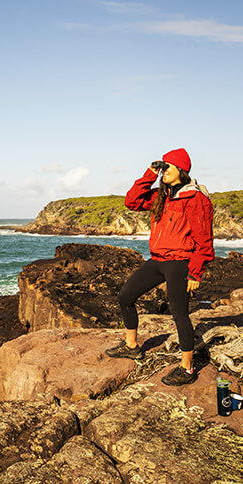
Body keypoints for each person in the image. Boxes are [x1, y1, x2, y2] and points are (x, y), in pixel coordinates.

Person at [105, 148, 214, 386]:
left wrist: (196, 271)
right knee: (126, 296)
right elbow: (131, 201)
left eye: (167, 167)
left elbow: (204, 240)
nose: (163, 171)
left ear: (181, 171)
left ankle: (187, 368)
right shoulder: (161, 196)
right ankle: (132, 346)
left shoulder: (196, 199)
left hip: (180, 263)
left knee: (179, 314)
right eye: (162, 167)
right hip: (158, 259)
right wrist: (149, 173)